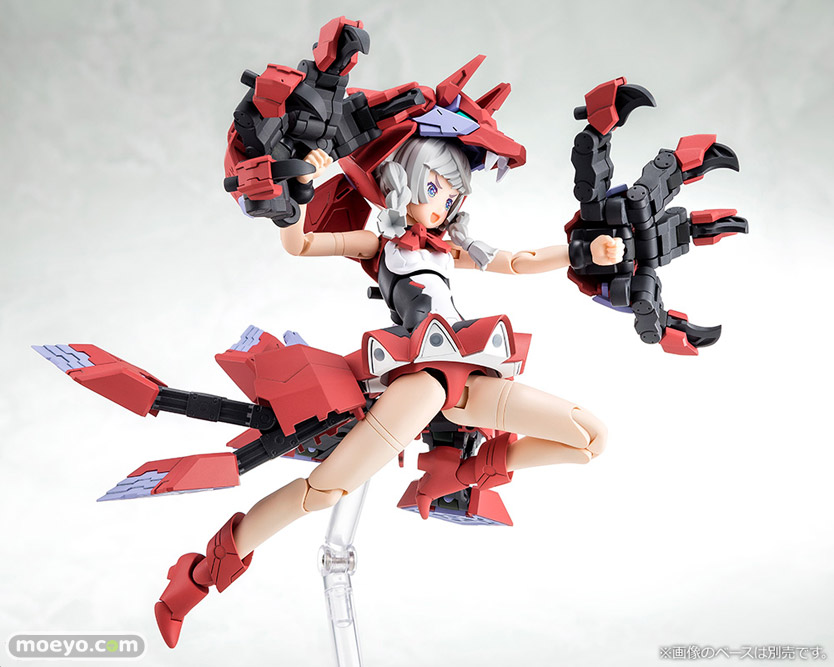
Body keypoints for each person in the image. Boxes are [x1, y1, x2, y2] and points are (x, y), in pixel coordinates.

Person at [153, 133, 623, 648]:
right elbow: (301, 243)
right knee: (323, 491)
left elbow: (520, 260)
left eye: (452, 194)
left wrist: (584, 252)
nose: (443, 203)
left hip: (470, 373)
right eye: (434, 188)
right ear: (401, 182)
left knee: (590, 438)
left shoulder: (450, 249)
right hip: (420, 378)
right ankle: (200, 574)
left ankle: (462, 472)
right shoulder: (379, 247)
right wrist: (296, 194)